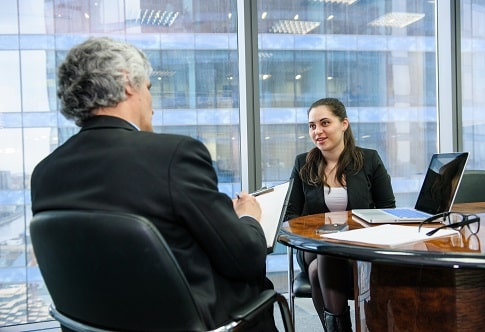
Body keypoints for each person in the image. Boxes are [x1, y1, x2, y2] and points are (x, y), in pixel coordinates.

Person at [30, 37, 277, 331]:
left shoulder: (45, 173)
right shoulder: (173, 155)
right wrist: (249, 216)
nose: (152, 103)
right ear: (126, 83)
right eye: (148, 88)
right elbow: (245, 259)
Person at [285, 97, 395, 332]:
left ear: (344, 124)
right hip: (313, 248)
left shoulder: (369, 159)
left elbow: (388, 209)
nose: (317, 131)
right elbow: (291, 215)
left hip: (359, 247)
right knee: (325, 252)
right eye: (312, 126)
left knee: (317, 272)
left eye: (325, 123)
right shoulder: (303, 163)